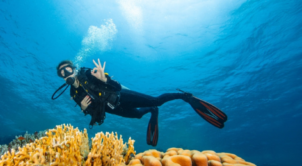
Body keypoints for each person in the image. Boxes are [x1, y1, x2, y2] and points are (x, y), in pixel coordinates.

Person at [53, 59, 228, 146]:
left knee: (156, 100)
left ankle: (186, 97)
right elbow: (94, 114)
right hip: (114, 109)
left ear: (74, 68)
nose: (66, 74)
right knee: (138, 115)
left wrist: (104, 80)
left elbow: (116, 86)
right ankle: (152, 111)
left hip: (122, 97)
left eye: (67, 69)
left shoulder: (89, 73)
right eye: (62, 73)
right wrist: (85, 110)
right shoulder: (73, 93)